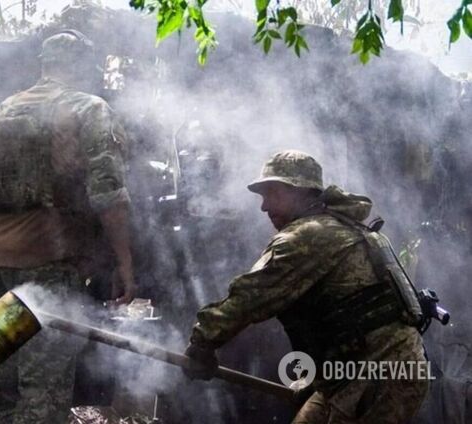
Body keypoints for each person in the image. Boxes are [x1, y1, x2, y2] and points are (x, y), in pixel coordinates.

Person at [0, 30, 136, 423]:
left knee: (5, 382)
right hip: (52, 261)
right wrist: (124, 262)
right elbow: (109, 194)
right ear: (83, 66)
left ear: (45, 64)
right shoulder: (88, 108)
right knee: (45, 386)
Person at [183, 150, 429, 423]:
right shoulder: (340, 226)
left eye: (272, 193)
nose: (264, 206)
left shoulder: (306, 236)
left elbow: (248, 299)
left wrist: (202, 344)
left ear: (300, 191)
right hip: (352, 373)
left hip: (381, 373)